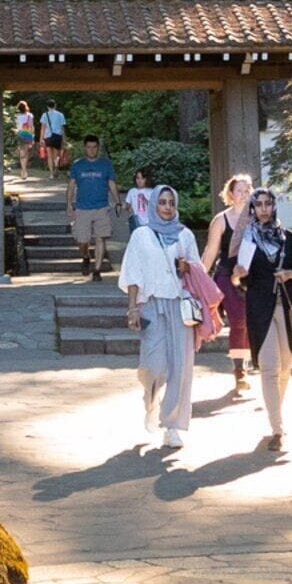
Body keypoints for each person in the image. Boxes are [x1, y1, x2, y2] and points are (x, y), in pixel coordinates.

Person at [119, 183, 206, 451]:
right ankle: (151, 401)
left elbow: (198, 271)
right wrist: (132, 308)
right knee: (153, 366)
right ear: (154, 204)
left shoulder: (185, 235)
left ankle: (172, 427)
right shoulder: (141, 235)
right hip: (151, 305)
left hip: (180, 306)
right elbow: (132, 273)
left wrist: (187, 267)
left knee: (181, 367)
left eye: (171, 203)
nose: (167, 207)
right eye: (162, 202)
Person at [233, 187, 292, 455]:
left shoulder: (287, 237)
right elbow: (240, 280)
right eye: (258, 204)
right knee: (269, 367)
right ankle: (277, 429)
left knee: (285, 365)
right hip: (260, 310)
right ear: (252, 208)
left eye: (268, 204)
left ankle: (275, 412)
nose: (264, 209)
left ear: (274, 206)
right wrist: (238, 274)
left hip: (287, 308)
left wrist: (290, 273)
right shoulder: (248, 239)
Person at [201, 173, 257, 389]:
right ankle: (239, 369)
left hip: (252, 277)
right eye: (239, 190)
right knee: (239, 319)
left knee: (252, 321)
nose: (243, 194)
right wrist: (198, 279)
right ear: (231, 194)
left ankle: (250, 362)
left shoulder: (257, 218)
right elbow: (210, 252)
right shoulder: (220, 220)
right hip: (226, 275)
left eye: (247, 190)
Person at [67, 141, 119, 277]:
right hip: (82, 208)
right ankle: (86, 256)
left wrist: (118, 201)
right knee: (82, 240)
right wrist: (69, 204)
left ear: (98, 148)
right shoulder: (78, 165)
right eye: (89, 147)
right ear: (85, 148)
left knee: (100, 238)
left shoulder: (105, 164)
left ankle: (97, 270)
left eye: (94, 147)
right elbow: (71, 185)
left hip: (101, 207)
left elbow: (111, 183)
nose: (91, 150)